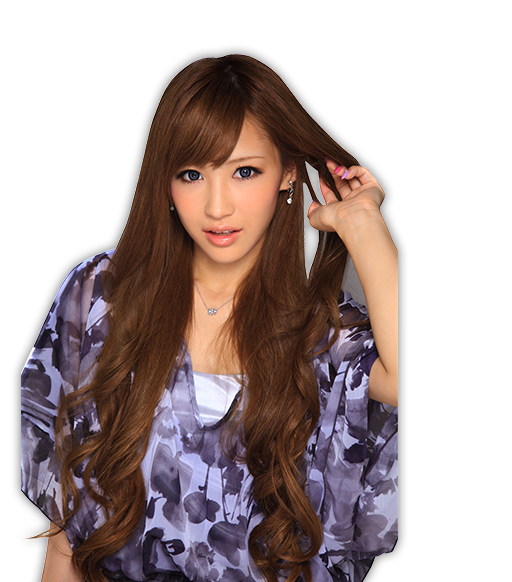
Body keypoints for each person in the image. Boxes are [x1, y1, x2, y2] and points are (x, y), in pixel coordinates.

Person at [21, 54, 398, 582]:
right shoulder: (102, 297)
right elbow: (68, 532)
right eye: (192, 174)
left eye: (245, 171)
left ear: (288, 172)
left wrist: (363, 221)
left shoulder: (326, 333)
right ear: (166, 181)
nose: (217, 207)